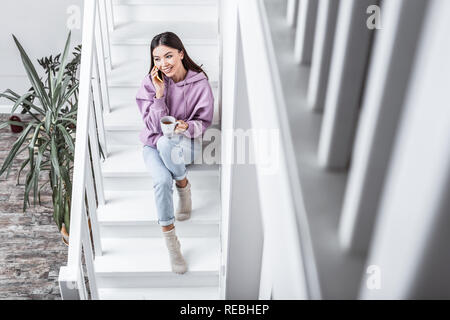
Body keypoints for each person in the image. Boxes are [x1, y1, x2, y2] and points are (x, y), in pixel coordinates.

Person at [136, 32, 214, 274]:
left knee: (166, 144)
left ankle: (181, 183)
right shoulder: (152, 83)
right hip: (153, 144)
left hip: (186, 144)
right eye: (157, 59)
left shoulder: (199, 83)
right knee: (160, 179)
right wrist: (159, 95)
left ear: (181, 53)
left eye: (168, 55)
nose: (163, 64)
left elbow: (204, 121)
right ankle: (172, 246)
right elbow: (151, 127)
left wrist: (186, 126)